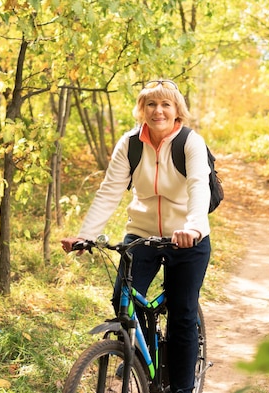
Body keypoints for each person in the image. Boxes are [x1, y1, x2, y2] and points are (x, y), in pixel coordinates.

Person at [61, 78, 211, 393]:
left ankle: (182, 387)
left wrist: (194, 227)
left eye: (165, 104)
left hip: (187, 238)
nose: (158, 111)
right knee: (123, 300)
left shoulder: (190, 143)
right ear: (142, 109)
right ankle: (141, 364)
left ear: (176, 110)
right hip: (142, 235)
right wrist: (85, 236)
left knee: (182, 314)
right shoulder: (130, 144)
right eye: (151, 104)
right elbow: (109, 192)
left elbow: (199, 186)